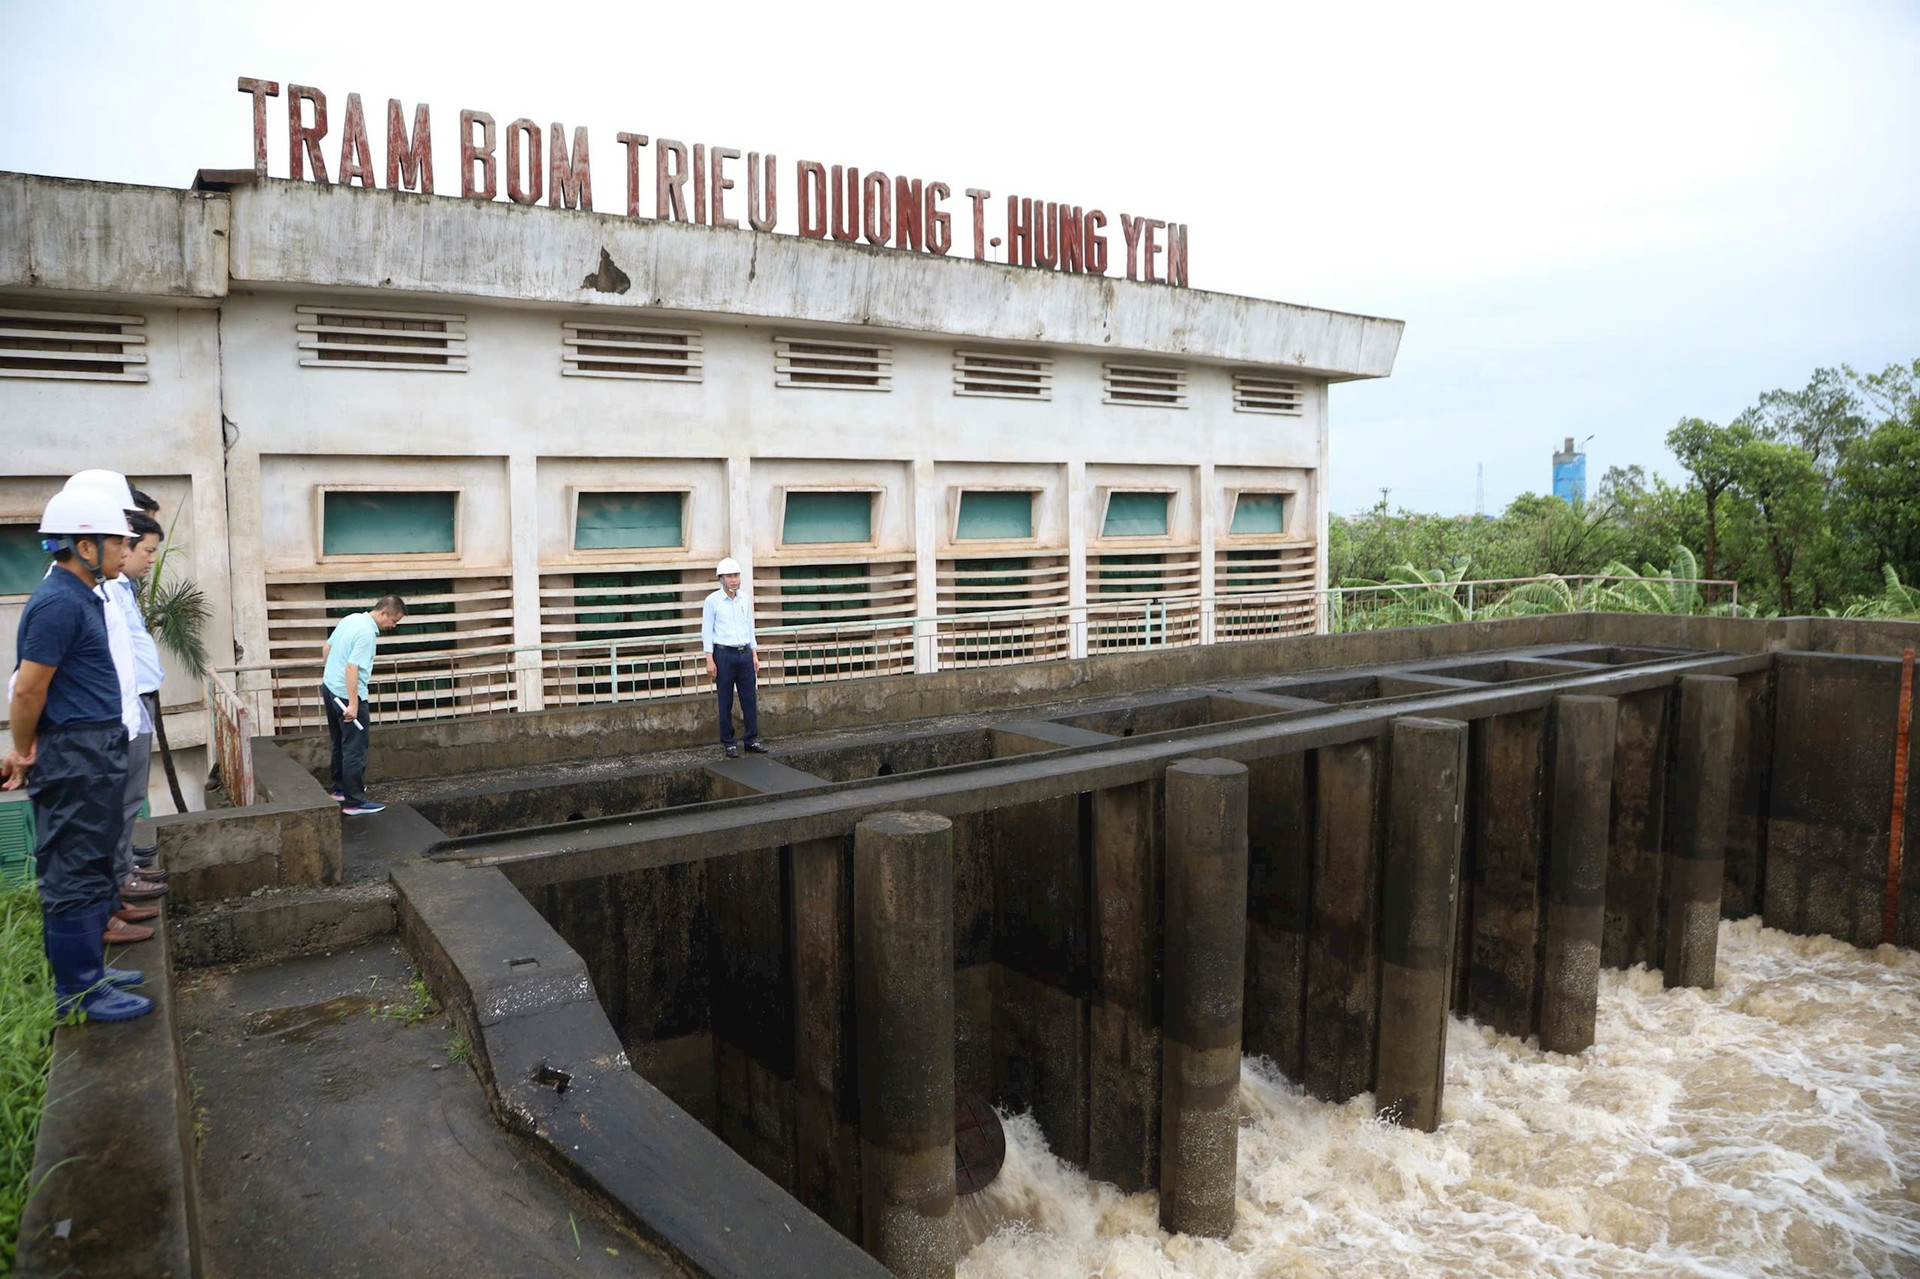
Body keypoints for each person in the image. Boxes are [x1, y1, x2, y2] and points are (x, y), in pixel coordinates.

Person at [2, 487, 153, 1022]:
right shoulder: (58, 602)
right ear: (83, 546)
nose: (125, 548)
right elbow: (27, 689)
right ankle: (80, 990)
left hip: (94, 750)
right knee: (70, 871)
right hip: (73, 756)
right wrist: (22, 751)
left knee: (90, 867)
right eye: (117, 540)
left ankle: (92, 971)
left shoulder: (87, 595)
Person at [103, 510, 169, 941]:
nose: (145, 558)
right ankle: (120, 879)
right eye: (141, 549)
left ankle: (122, 873)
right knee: (119, 803)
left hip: (132, 705)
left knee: (128, 800)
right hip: (117, 713)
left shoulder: (119, 588)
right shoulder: (91, 594)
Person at [320, 595, 406, 815]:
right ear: (384, 612)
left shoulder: (351, 619)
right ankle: (354, 802)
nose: (393, 626)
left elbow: (326, 649)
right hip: (347, 696)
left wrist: (331, 676)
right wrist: (354, 704)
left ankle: (340, 789)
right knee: (355, 749)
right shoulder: (367, 633)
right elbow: (352, 668)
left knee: (339, 742)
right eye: (394, 621)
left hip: (330, 688)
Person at [701, 557, 767, 758]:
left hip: (744, 653)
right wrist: (709, 658)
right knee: (725, 700)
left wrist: (754, 654)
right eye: (730, 576)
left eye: (736, 575)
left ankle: (751, 739)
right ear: (721, 578)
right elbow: (707, 631)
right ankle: (728, 742)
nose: (734, 580)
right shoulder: (712, 601)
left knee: (749, 698)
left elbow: (750, 627)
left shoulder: (745, 599)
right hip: (724, 653)